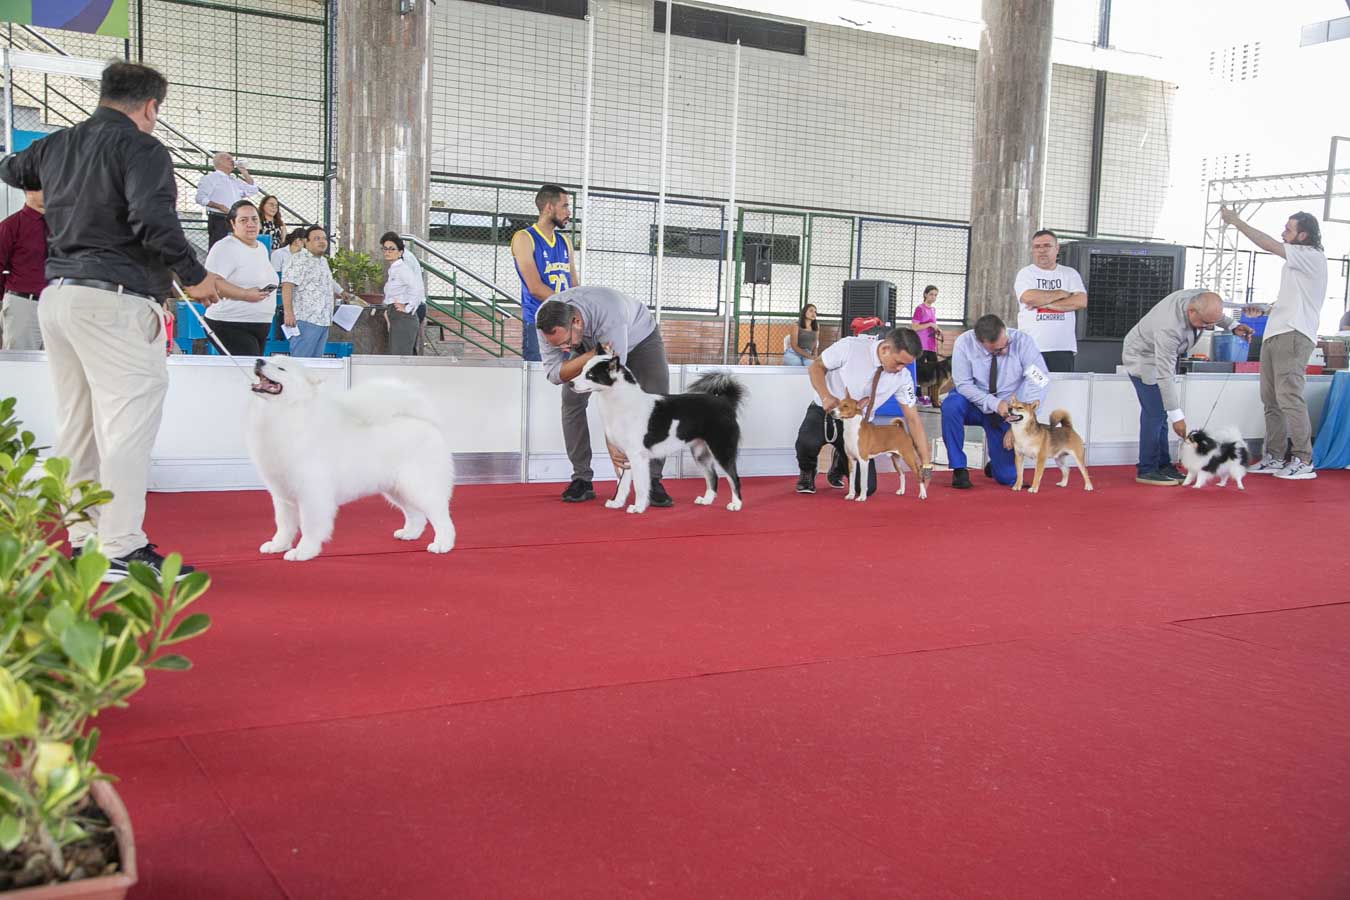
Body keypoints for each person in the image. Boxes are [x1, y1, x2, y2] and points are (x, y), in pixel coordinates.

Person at [0, 61, 237, 581]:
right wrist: (195, 275)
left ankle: (84, 540)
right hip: (117, 300)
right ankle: (120, 547)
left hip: (58, 296)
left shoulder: (57, 143)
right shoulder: (142, 148)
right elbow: (153, 221)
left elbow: (11, 170)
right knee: (127, 426)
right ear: (151, 106)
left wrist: (55, 183)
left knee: (78, 424)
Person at [535, 286, 672, 506]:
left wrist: (613, 440)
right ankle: (581, 478)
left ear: (576, 322)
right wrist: (590, 354)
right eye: (557, 346)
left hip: (640, 337)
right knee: (571, 399)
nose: (563, 349)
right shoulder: (546, 320)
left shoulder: (609, 315)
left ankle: (652, 478)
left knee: (656, 400)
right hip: (590, 345)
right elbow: (554, 374)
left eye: (565, 343)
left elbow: (614, 385)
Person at [1221, 207, 1328, 480]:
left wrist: (1236, 222)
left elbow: (1267, 244)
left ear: (1303, 235)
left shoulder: (1311, 255)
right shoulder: (1296, 263)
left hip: (1294, 334)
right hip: (1276, 333)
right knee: (1271, 399)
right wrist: (1266, 309)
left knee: (1289, 397)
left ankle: (1303, 460)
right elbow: (1292, 300)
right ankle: (1275, 456)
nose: (1283, 233)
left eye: (1288, 229)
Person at [1121, 290, 1253, 486]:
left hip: (1161, 359)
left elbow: (1212, 313)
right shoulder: (1168, 327)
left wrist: (1233, 326)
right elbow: (1164, 375)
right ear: (1191, 311)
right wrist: (1178, 417)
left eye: (1211, 324)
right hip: (1143, 358)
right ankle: (1147, 469)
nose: (1207, 327)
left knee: (1160, 415)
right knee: (1155, 414)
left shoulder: (1200, 299)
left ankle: (1163, 465)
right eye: (1204, 323)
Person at [794, 327, 931, 495]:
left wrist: (926, 465)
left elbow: (913, 419)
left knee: (867, 488)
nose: (900, 369)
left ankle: (840, 461)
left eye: (906, 365)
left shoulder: (903, 378)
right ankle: (807, 471)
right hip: (827, 410)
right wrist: (825, 396)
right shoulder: (850, 347)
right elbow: (815, 367)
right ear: (885, 349)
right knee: (807, 441)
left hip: (860, 424)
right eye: (898, 362)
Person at [943, 314, 1050, 489]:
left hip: (1007, 412)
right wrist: (994, 403)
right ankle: (959, 467)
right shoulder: (964, 343)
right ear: (980, 342)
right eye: (997, 351)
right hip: (973, 403)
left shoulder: (1023, 343)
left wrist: (1018, 424)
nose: (1005, 351)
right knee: (950, 406)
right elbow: (963, 385)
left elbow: (1039, 380)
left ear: (1004, 330)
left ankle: (996, 463)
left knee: (1008, 477)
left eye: (1005, 344)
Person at [512, 184, 579, 362]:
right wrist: (569, 309)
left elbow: (574, 285)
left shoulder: (565, 242)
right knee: (539, 375)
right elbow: (534, 287)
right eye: (565, 206)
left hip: (565, 324)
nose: (569, 212)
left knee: (568, 374)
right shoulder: (524, 238)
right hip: (539, 323)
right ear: (549, 207)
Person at [202, 199, 275, 356]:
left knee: (253, 369)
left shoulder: (261, 248)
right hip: (230, 323)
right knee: (247, 369)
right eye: (243, 220)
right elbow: (212, 282)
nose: (251, 224)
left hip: (259, 323)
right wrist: (245, 294)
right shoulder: (225, 247)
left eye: (254, 219)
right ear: (233, 223)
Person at [1014, 229, 1087, 372]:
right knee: (1035, 385)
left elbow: (1080, 301)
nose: (1042, 250)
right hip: (1032, 349)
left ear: (1057, 248)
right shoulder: (1025, 273)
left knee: (1060, 385)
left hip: (1062, 348)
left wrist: (1044, 303)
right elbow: (1028, 298)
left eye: (1047, 245)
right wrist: (1061, 293)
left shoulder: (1070, 274)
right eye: (1037, 246)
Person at [281, 225, 350, 358]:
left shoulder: (323, 261)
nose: (322, 241)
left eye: (324, 238)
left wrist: (341, 292)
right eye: (317, 238)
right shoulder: (298, 259)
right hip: (306, 319)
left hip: (323, 320)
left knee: (317, 363)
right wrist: (288, 313)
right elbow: (287, 285)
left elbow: (328, 280)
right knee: (301, 362)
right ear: (306, 242)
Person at [0, 189, 47, 350]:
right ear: (28, 191)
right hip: (23, 305)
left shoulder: (61, 226)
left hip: (55, 306)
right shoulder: (10, 225)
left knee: (56, 363)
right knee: (20, 361)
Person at [195, 151, 258, 247]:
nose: (232, 161)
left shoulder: (233, 180)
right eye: (228, 159)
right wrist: (220, 206)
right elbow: (200, 198)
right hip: (219, 219)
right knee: (219, 248)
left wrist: (244, 172)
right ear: (219, 161)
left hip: (235, 220)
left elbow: (252, 190)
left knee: (237, 247)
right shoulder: (210, 178)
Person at [379, 232, 425, 356]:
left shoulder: (402, 269)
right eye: (385, 248)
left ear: (400, 252)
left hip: (403, 317)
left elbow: (418, 288)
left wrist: (408, 307)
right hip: (395, 314)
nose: (388, 252)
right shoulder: (394, 269)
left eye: (392, 249)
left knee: (400, 357)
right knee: (396, 355)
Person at [911, 285, 943, 355]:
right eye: (931, 294)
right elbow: (914, 327)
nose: (933, 297)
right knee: (921, 362)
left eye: (935, 295)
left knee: (933, 362)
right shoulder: (920, 308)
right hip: (921, 345)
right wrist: (930, 324)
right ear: (925, 295)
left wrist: (937, 329)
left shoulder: (933, 309)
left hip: (931, 345)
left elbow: (933, 325)